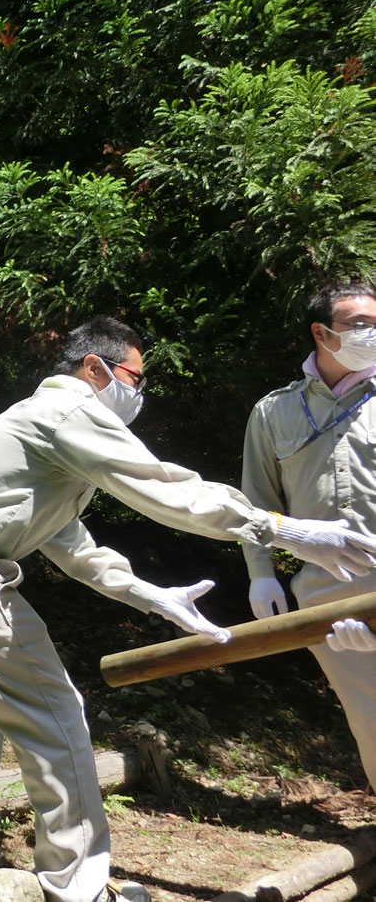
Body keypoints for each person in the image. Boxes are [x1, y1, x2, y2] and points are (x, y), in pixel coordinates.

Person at [0, 316, 376, 902]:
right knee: (57, 718)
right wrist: (285, 530)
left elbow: (72, 545)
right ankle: (78, 886)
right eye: (135, 378)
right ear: (95, 368)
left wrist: (150, 595)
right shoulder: (68, 410)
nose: (139, 393)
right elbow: (168, 489)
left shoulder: (34, 428)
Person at [241, 282, 376, 791]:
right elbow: (256, 503)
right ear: (321, 332)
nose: (372, 334)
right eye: (360, 324)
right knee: (370, 719)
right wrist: (261, 574)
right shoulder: (273, 412)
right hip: (326, 598)